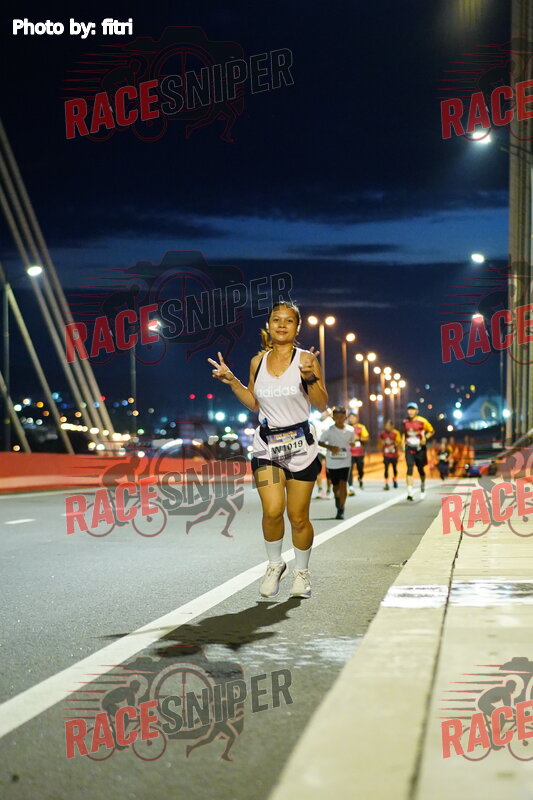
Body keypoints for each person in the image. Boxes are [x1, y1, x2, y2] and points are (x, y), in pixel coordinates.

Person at [208, 301, 327, 600]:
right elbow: (254, 402)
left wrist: (310, 378)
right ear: (268, 325)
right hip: (267, 447)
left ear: (297, 327)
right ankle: (275, 564)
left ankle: (302, 572)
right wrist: (231, 381)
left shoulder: (306, 359)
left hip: (301, 448)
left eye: (289, 320)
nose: (282, 325)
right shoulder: (257, 362)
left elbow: (321, 402)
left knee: (298, 517)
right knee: (272, 510)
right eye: (276, 320)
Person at [318, 406, 355, 520]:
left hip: (345, 461)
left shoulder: (350, 430)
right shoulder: (329, 431)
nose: (339, 419)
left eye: (341, 417)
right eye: (337, 417)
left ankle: (341, 509)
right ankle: (337, 500)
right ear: (333, 418)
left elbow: (352, 442)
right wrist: (331, 447)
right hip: (332, 462)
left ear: (345, 417)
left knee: (343, 484)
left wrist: (352, 444)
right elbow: (320, 442)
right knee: (336, 486)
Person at [402, 402, 434, 500]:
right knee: (409, 467)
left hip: (420, 449)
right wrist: (403, 445)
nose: (410, 412)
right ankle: (410, 492)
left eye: (413, 410)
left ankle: (423, 484)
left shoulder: (422, 421)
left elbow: (432, 431)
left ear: (417, 411)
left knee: (420, 469)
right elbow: (404, 433)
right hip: (409, 448)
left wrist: (425, 438)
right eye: (409, 409)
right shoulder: (405, 422)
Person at [346, 412, 369, 492]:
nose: (351, 419)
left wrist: (358, 438)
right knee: (349, 469)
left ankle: (360, 477)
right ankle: (351, 486)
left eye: (353, 417)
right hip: (349, 452)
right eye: (350, 418)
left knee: (360, 469)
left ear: (356, 418)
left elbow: (366, 438)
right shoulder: (346, 428)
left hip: (359, 452)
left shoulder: (361, 427)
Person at [313, 408, 333, 499]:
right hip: (318, 450)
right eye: (320, 412)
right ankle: (320, 490)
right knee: (317, 470)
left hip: (329, 450)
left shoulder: (331, 422)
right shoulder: (315, 422)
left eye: (324, 412)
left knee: (329, 472)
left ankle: (329, 490)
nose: (322, 413)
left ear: (327, 413)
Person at [378, 419, 401, 490]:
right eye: (386, 426)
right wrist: (382, 443)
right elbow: (380, 441)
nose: (387, 427)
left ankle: (395, 479)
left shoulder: (396, 433)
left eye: (388, 426)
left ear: (392, 426)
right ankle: (386, 483)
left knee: (394, 468)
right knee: (386, 468)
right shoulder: (382, 434)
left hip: (394, 454)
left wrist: (393, 446)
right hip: (386, 454)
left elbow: (399, 442)